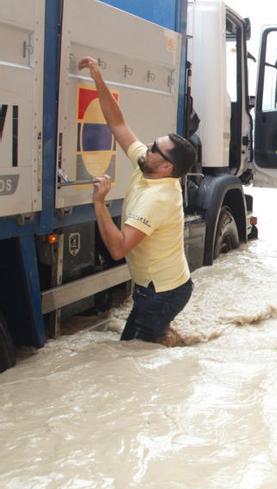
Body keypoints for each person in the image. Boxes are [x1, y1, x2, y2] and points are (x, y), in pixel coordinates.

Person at [78, 57, 197, 344]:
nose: (149, 148)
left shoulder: (159, 198)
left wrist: (99, 203)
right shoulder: (147, 164)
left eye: (156, 148)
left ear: (167, 167)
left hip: (163, 293)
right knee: (138, 349)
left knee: (132, 354)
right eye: (153, 144)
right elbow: (118, 124)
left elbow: (118, 248)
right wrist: (98, 79)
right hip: (160, 287)